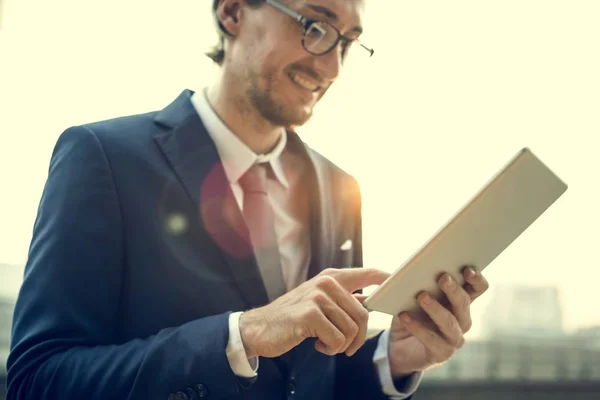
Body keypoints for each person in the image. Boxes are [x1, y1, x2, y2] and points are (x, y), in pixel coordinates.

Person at [6, 0, 490, 399]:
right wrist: (240, 336)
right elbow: (37, 380)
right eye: (315, 26)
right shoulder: (104, 158)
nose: (331, 67)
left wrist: (392, 358)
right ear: (233, 12)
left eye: (346, 42)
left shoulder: (341, 189)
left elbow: (309, 378)